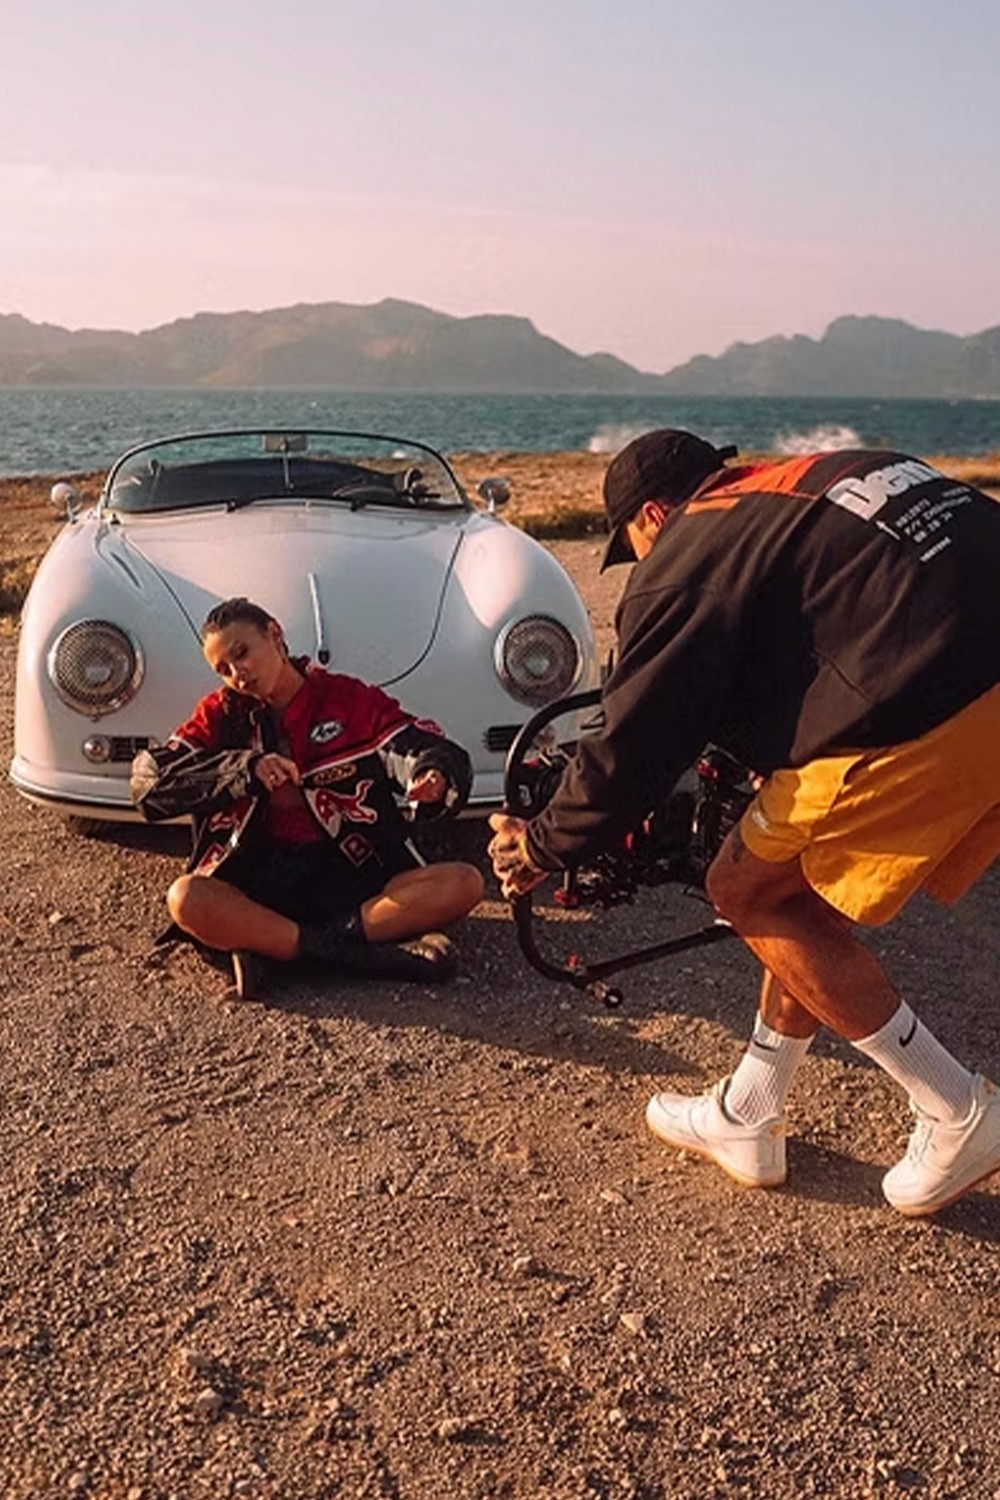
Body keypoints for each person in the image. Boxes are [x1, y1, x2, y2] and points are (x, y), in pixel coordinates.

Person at [488, 429, 1000, 1216]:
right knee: (796, 896)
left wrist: (544, 843)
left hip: (930, 693)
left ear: (651, 515)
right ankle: (749, 1111)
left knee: (747, 890)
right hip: (973, 667)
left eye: (632, 546)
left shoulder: (688, 547)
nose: (640, 562)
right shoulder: (824, 472)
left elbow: (635, 741)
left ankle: (955, 1108)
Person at [132, 597, 484, 1001]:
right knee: (186, 898)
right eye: (223, 669)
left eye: (242, 653)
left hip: (355, 882)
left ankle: (280, 953)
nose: (237, 674)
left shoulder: (347, 698)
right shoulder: (219, 714)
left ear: (275, 635)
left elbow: (419, 744)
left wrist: (432, 774)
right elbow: (148, 783)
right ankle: (369, 957)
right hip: (256, 882)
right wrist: (243, 769)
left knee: (463, 883)